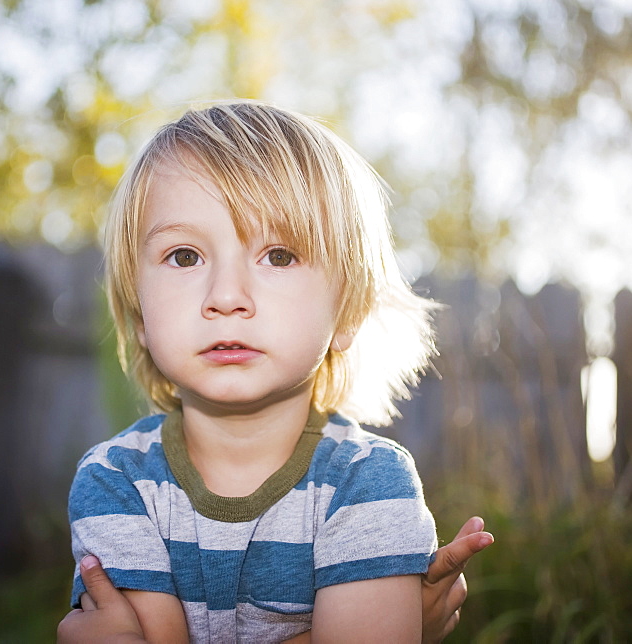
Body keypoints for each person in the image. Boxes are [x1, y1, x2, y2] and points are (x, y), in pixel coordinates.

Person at [61, 102, 493, 643]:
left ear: (347, 313)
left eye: (279, 256)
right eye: (185, 257)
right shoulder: (116, 481)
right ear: (139, 311)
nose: (226, 296)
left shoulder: (366, 485)